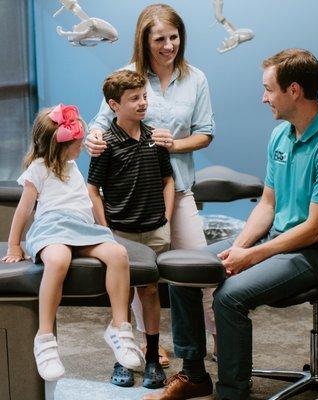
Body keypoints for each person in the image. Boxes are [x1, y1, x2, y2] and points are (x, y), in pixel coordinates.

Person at [143, 48, 318, 400]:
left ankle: (232, 393)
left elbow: (315, 228)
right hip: (281, 238)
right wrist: (243, 245)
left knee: (230, 297)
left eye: (268, 89)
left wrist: (253, 256)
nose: (263, 98)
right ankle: (194, 375)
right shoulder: (282, 134)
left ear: (294, 91)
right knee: (185, 270)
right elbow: (267, 203)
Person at [85, 3, 217, 374]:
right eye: (160, 38)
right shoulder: (127, 76)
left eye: (174, 37)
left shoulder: (196, 79)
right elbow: (100, 122)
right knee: (139, 275)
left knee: (202, 272)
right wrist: (93, 139)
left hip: (178, 189)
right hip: (131, 199)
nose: (168, 46)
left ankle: (221, 340)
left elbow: (205, 133)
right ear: (145, 40)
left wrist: (174, 145)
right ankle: (147, 346)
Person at [1, 104, 144, 382]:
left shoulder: (72, 166)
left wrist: (103, 229)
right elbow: (23, 210)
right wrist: (13, 245)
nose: (82, 147)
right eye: (78, 143)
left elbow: (87, 201)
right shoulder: (38, 170)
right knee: (57, 259)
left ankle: (119, 327)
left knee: (118, 254)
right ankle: (44, 339)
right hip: (52, 227)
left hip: (81, 228)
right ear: (59, 146)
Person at [87, 69, 174, 389]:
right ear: (114, 105)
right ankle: (122, 358)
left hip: (154, 230)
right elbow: (92, 188)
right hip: (120, 233)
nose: (142, 103)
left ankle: (152, 358)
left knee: (150, 292)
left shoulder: (156, 137)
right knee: (120, 297)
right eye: (134, 98)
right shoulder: (104, 144)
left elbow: (168, 179)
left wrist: (165, 215)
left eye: (144, 97)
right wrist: (105, 229)